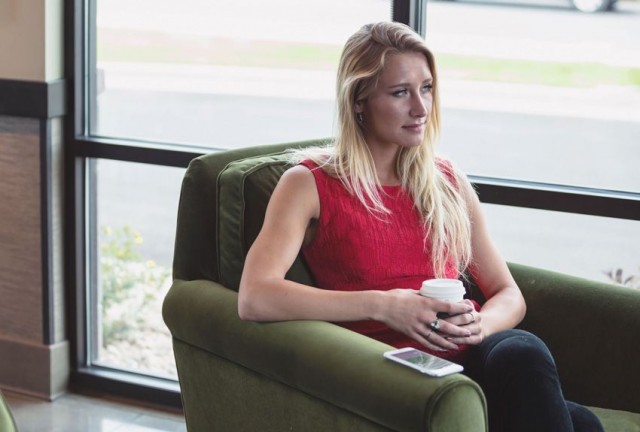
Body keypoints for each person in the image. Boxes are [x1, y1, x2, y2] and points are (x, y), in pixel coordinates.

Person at [238, 21, 604, 432]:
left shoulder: (445, 179)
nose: (421, 108)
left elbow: (508, 294)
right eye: (400, 93)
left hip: (469, 355)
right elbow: (256, 296)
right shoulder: (309, 183)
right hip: (388, 365)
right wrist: (384, 305)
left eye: (427, 88)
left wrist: (479, 324)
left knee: (527, 358)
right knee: (580, 424)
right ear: (359, 100)